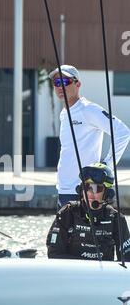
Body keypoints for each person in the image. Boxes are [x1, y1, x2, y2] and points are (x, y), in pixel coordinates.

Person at [49, 64, 130, 209]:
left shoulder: (88, 109)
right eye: (56, 83)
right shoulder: (64, 113)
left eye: (65, 82)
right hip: (64, 189)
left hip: (85, 191)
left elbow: (123, 133)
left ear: (78, 84)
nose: (60, 86)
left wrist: (106, 166)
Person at [46, 163, 130, 261]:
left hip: (103, 275)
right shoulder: (67, 213)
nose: (90, 193)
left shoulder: (116, 219)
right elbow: (54, 254)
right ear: (81, 189)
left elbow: (127, 260)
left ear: (107, 193)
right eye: (87, 187)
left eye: (96, 189)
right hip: (71, 274)